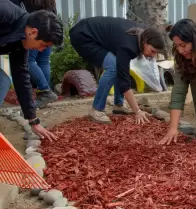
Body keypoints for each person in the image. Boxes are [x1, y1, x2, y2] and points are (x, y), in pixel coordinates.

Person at [69, 16, 167, 124]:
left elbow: (123, 69)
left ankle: (119, 104)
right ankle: (96, 109)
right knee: (113, 66)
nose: (152, 56)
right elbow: (124, 82)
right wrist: (137, 111)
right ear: (145, 42)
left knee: (119, 65)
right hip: (83, 36)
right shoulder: (129, 45)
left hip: (88, 31)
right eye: (152, 51)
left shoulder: (142, 34)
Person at [0, 0, 63, 140]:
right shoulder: (5, 11)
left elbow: (21, 78)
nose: (41, 50)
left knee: (2, 82)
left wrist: (33, 120)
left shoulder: (21, 43)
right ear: (33, 32)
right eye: (43, 45)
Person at [24, 0, 59, 108]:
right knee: (44, 61)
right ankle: (44, 94)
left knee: (28, 61)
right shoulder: (50, 2)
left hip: (36, 31)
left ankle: (45, 91)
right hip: (50, 29)